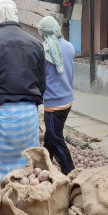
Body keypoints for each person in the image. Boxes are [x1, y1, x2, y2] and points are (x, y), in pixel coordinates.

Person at [0, 0, 45, 179]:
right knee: (26, 168)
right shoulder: (35, 44)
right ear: (16, 16)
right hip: (28, 118)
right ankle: (22, 200)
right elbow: (42, 85)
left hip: (0, 117)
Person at [38, 16, 76, 175]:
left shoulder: (46, 50)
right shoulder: (69, 46)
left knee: (55, 138)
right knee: (50, 136)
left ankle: (71, 172)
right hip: (67, 99)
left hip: (54, 103)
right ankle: (44, 167)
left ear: (44, 34)